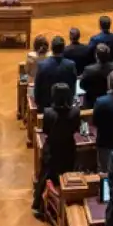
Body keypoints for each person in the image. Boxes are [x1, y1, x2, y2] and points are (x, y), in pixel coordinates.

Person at [32, 82, 80, 214]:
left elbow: (46, 130)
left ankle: (37, 205)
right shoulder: (75, 112)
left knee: (44, 175)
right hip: (69, 149)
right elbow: (76, 129)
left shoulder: (48, 112)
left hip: (52, 150)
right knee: (68, 173)